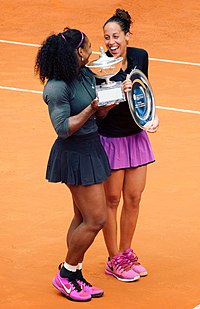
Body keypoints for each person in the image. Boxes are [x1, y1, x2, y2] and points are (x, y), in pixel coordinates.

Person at [34, 27, 115, 302]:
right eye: (88, 47)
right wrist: (91, 109)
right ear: (77, 53)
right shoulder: (56, 88)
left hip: (91, 149)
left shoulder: (83, 74)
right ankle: (66, 274)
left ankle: (76, 273)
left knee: (82, 217)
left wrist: (105, 105)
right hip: (74, 155)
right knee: (97, 219)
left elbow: (97, 111)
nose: (91, 51)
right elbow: (63, 128)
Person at [95, 9, 159, 282]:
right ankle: (113, 260)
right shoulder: (100, 67)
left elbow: (144, 92)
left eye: (116, 36)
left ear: (127, 36)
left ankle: (125, 252)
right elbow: (100, 113)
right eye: (107, 37)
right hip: (111, 138)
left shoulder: (140, 57)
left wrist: (150, 116)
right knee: (112, 200)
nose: (111, 42)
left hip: (136, 136)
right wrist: (115, 94)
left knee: (133, 198)